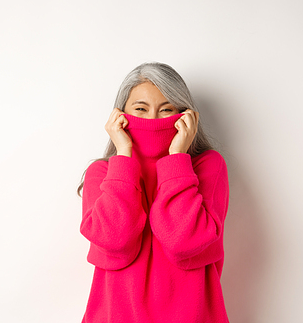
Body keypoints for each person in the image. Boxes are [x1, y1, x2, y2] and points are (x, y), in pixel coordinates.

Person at [76, 62, 230, 323]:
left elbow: (183, 243)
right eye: (140, 109)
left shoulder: (207, 167)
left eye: (166, 109)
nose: (153, 120)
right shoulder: (101, 174)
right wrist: (123, 158)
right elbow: (116, 241)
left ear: (185, 116)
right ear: (119, 115)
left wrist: (177, 160)